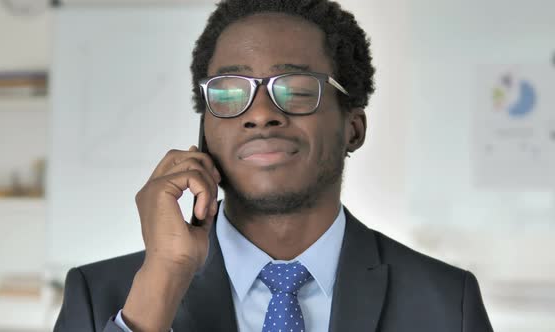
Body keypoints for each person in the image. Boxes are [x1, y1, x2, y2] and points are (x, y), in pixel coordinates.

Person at [54, 1, 493, 331]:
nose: (259, 112)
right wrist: (164, 279)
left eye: (298, 88)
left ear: (354, 129)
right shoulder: (101, 297)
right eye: (229, 91)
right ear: (205, 130)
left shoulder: (445, 302)